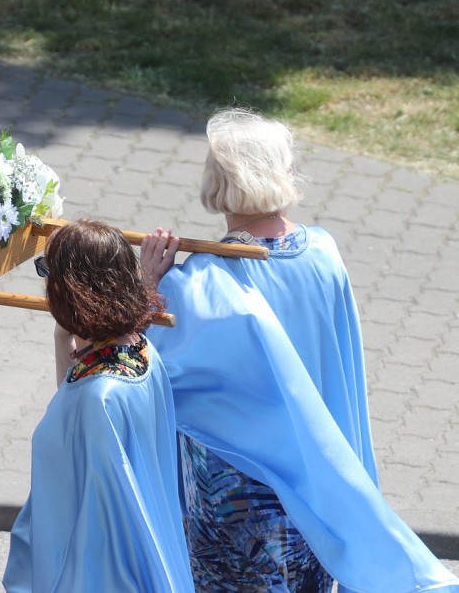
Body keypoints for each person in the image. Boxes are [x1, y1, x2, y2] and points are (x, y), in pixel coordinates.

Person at [142, 106, 458, 592]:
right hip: (317, 489)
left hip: (235, 497)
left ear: (218, 180)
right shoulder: (325, 254)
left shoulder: (200, 281)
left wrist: (147, 286)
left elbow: (142, 368)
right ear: (282, 171)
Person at [3, 219, 193, 593]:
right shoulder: (139, 349)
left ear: (64, 288)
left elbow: (98, 529)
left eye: (46, 271)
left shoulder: (98, 398)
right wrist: (64, 333)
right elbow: (72, 395)